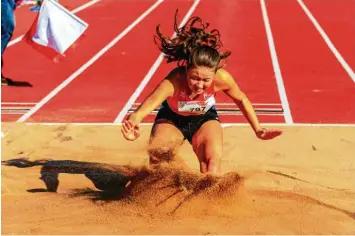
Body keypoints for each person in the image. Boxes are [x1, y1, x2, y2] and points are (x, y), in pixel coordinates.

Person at [121, 12, 282, 174]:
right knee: (158, 160)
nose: (199, 85)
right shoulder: (173, 82)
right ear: (186, 70)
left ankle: (205, 198)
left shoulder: (223, 79)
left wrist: (258, 129)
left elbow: (241, 99)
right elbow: (142, 111)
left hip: (204, 119)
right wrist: (132, 124)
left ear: (215, 74)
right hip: (171, 119)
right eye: (194, 78)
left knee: (211, 166)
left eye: (206, 80)